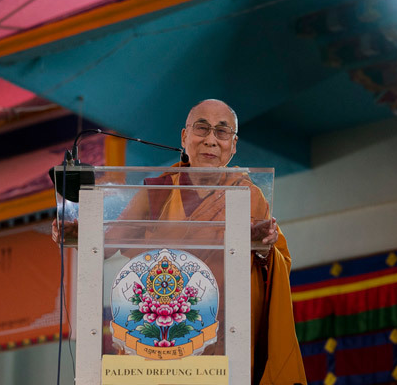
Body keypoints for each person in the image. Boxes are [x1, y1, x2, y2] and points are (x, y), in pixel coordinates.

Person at [53, 99, 306, 384]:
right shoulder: (159, 190)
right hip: (161, 335)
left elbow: (268, 262)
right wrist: (80, 232)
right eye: (202, 128)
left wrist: (265, 247)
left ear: (233, 145)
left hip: (222, 337)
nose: (211, 140)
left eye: (222, 132)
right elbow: (109, 240)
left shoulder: (248, 195)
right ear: (185, 137)